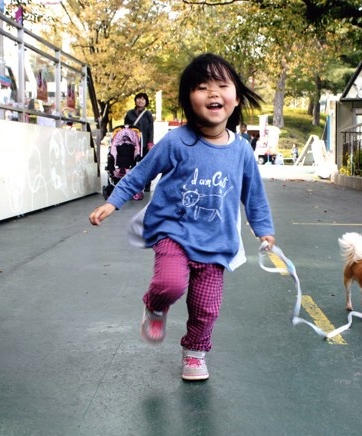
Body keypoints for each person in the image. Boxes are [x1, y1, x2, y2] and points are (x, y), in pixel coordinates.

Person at [89, 53, 276, 381]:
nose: (213, 93)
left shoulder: (242, 150)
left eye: (222, 85)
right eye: (202, 87)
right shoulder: (178, 141)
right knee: (170, 283)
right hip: (173, 229)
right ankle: (155, 305)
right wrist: (115, 200)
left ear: (236, 97)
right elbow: (142, 171)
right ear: (189, 98)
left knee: (207, 308)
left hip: (217, 241)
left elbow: (254, 195)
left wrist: (263, 229)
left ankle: (194, 352)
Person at [124, 92, 154, 192]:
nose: (140, 100)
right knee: (131, 164)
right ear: (135, 100)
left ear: (146, 102)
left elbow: (151, 129)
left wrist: (150, 142)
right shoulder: (129, 114)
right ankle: (133, 184)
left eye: (143, 99)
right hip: (132, 144)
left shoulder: (148, 114)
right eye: (138, 98)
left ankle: (147, 184)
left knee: (146, 164)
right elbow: (125, 128)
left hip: (145, 144)